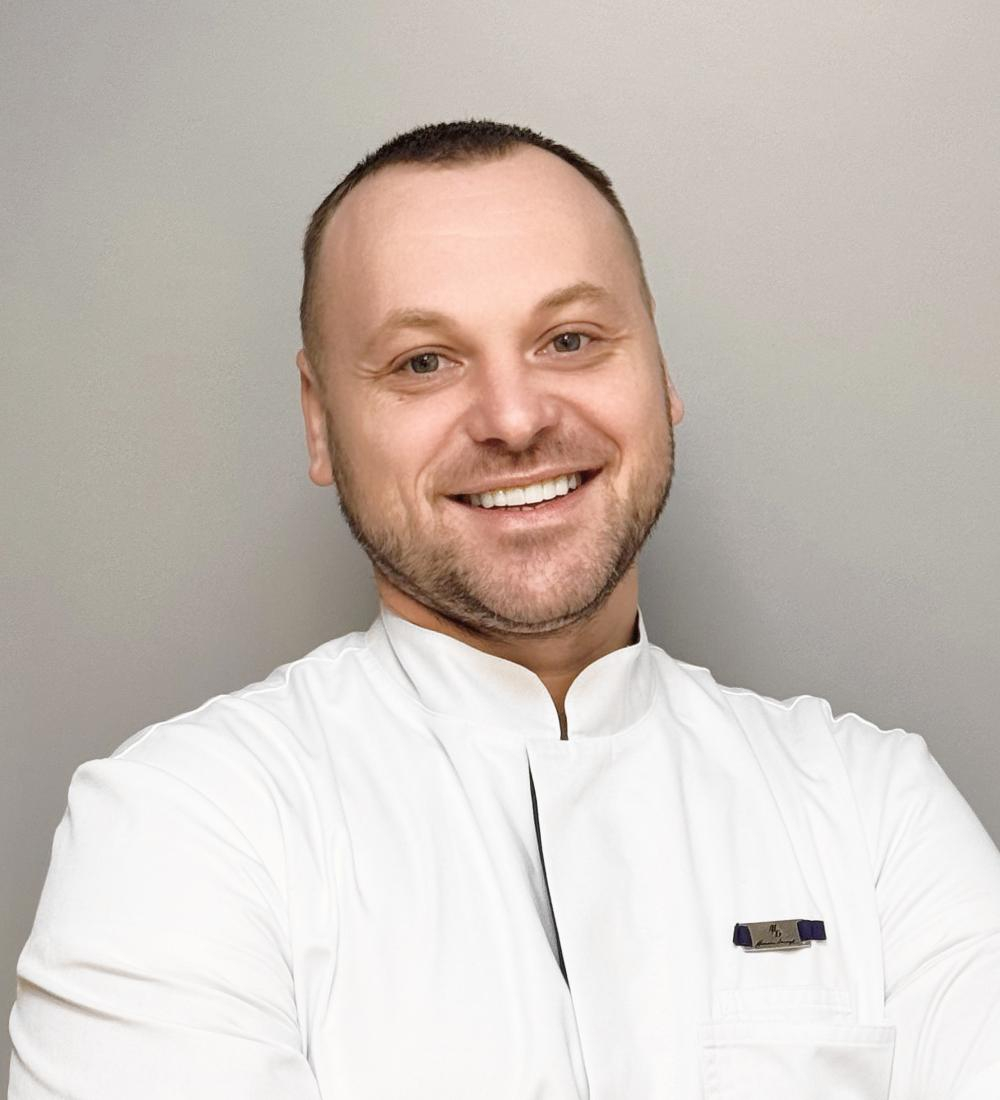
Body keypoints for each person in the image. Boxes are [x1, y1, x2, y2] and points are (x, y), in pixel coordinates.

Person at [8, 120, 1000, 1100]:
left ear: (660, 369)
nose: (516, 419)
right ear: (319, 419)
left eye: (570, 340)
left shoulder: (874, 808)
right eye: (423, 362)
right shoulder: (183, 825)